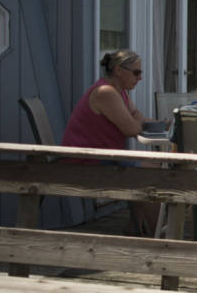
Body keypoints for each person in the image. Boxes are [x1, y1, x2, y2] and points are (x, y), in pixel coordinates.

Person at [61, 49, 158, 236]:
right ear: (119, 70)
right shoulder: (105, 92)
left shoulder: (119, 92)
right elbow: (131, 128)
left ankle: (135, 227)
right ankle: (159, 236)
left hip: (100, 157)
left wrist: (149, 121)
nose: (140, 78)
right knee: (151, 173)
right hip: (84, 163)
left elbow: (137, 118)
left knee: (153, 167)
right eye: (136, 72)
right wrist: (136, 121)